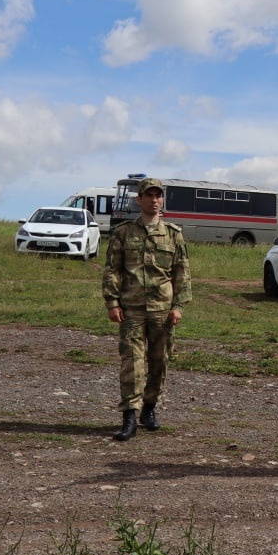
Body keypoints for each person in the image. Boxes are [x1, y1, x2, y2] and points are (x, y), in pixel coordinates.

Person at [103, 177, 191, 441]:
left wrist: (178, 306)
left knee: (159, 361)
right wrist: (112, 301)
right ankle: (129, 415)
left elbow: (182, 273)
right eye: (148, 195)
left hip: (163, 311)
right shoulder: (123, 232)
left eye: (158, 195)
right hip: (131, 310)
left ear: (162, 200)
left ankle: (149, 409)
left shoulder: (173, 234)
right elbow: (112, 269)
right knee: (132, 361)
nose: (154, 200)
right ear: (139, 200)